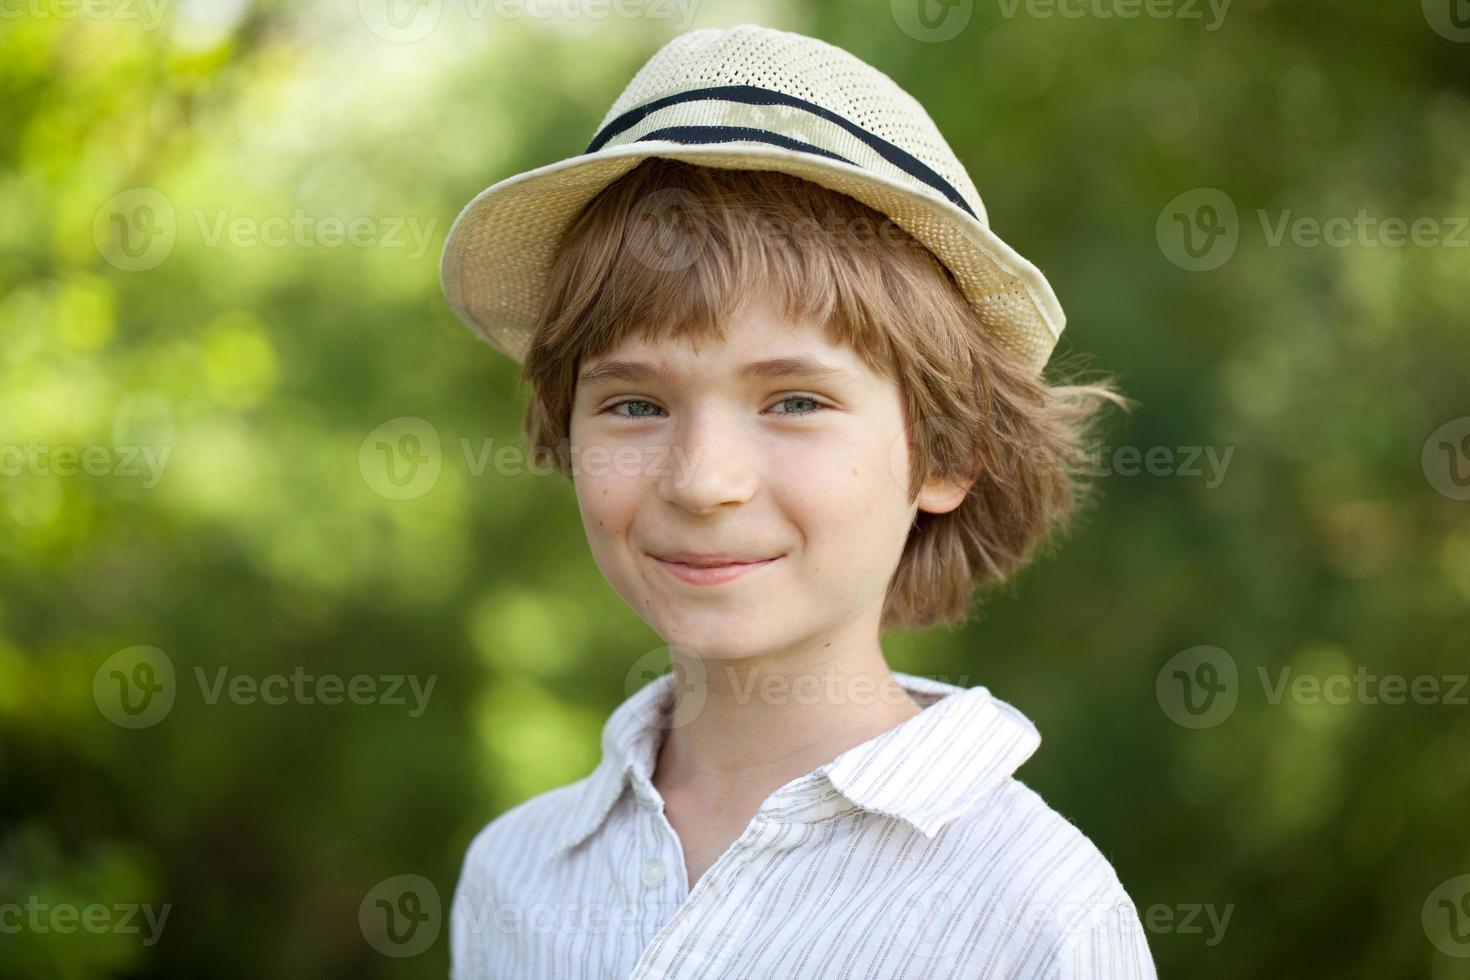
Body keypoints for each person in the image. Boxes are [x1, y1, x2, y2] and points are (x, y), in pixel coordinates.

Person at [438, 23, 1155, 978]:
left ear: (948, 451)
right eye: (635, 404)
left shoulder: (1033, 914)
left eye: (796, 402)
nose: (701, 480)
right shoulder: (514, 876)